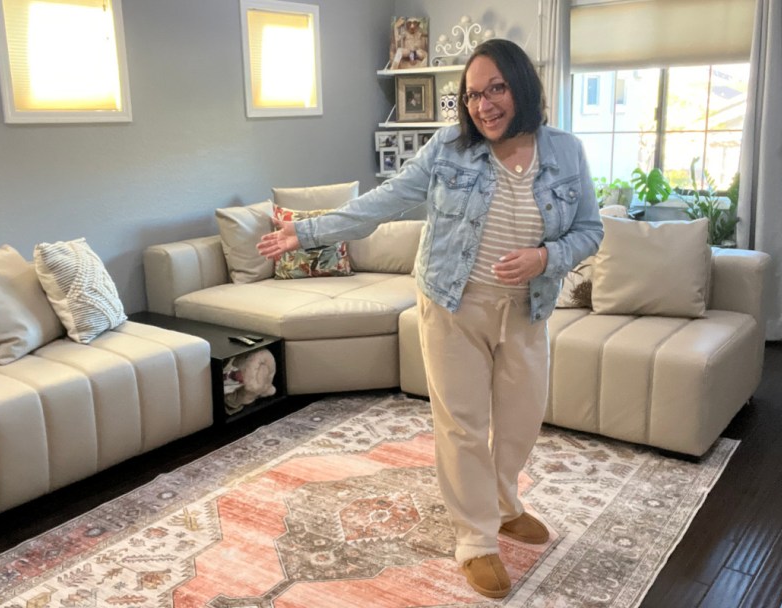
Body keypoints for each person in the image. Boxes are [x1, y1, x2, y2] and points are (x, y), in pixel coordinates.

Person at [257, 38, 602, 599]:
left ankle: (505, 503)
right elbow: (384, 200)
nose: (484, 105)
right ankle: (476, 541)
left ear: (522, 87)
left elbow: (590, 228)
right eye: (471, 95)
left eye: (496, 89)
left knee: (520, 419)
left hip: (527, 308)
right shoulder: (449, 149)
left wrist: (545, 257)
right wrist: (310, 229)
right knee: (462, 423)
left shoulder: (565, 152)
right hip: (452, 303)